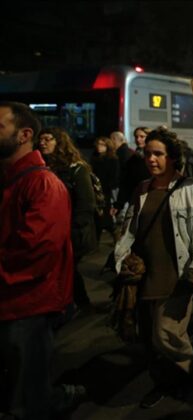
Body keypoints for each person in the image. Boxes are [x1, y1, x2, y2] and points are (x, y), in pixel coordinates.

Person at [114, 127, 193, 408]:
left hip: (177, 276)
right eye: (147, 153)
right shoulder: (143, 189)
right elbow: (129, 231)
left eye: (158, 154)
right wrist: (123, 262)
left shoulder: (192, 191)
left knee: (167, 333)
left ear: (172, 157)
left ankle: (186, 373)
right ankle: (163, 381)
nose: (151, 159)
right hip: (145, 276)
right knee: (150, 336)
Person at [0, 101, 84, 419]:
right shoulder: (13, 178)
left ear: (24, 135)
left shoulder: (44, 184)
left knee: (27, 399)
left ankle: (58, 398)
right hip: (13, 302)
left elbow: (34, 251)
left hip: (29, 307)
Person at [38, 127, 98, 312]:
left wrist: (73, 227)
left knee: (67, 267)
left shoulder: (76, 168)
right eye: (41, 139)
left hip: (71, 230)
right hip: (52, 228)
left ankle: (77, 304)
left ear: (60, 143)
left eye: (48, 139)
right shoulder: (43, 166)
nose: (43, 143)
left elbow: (86, 202)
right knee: (63, 267)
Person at [90, 136, 120, 240]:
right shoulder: (94, 158)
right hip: (96, 190)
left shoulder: (112, 159)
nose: (99, 147)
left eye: (102, 145)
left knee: (105, 216)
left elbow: (114, 177)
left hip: (106, 191)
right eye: (98, 144)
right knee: (98, 217)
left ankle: (114, 232)